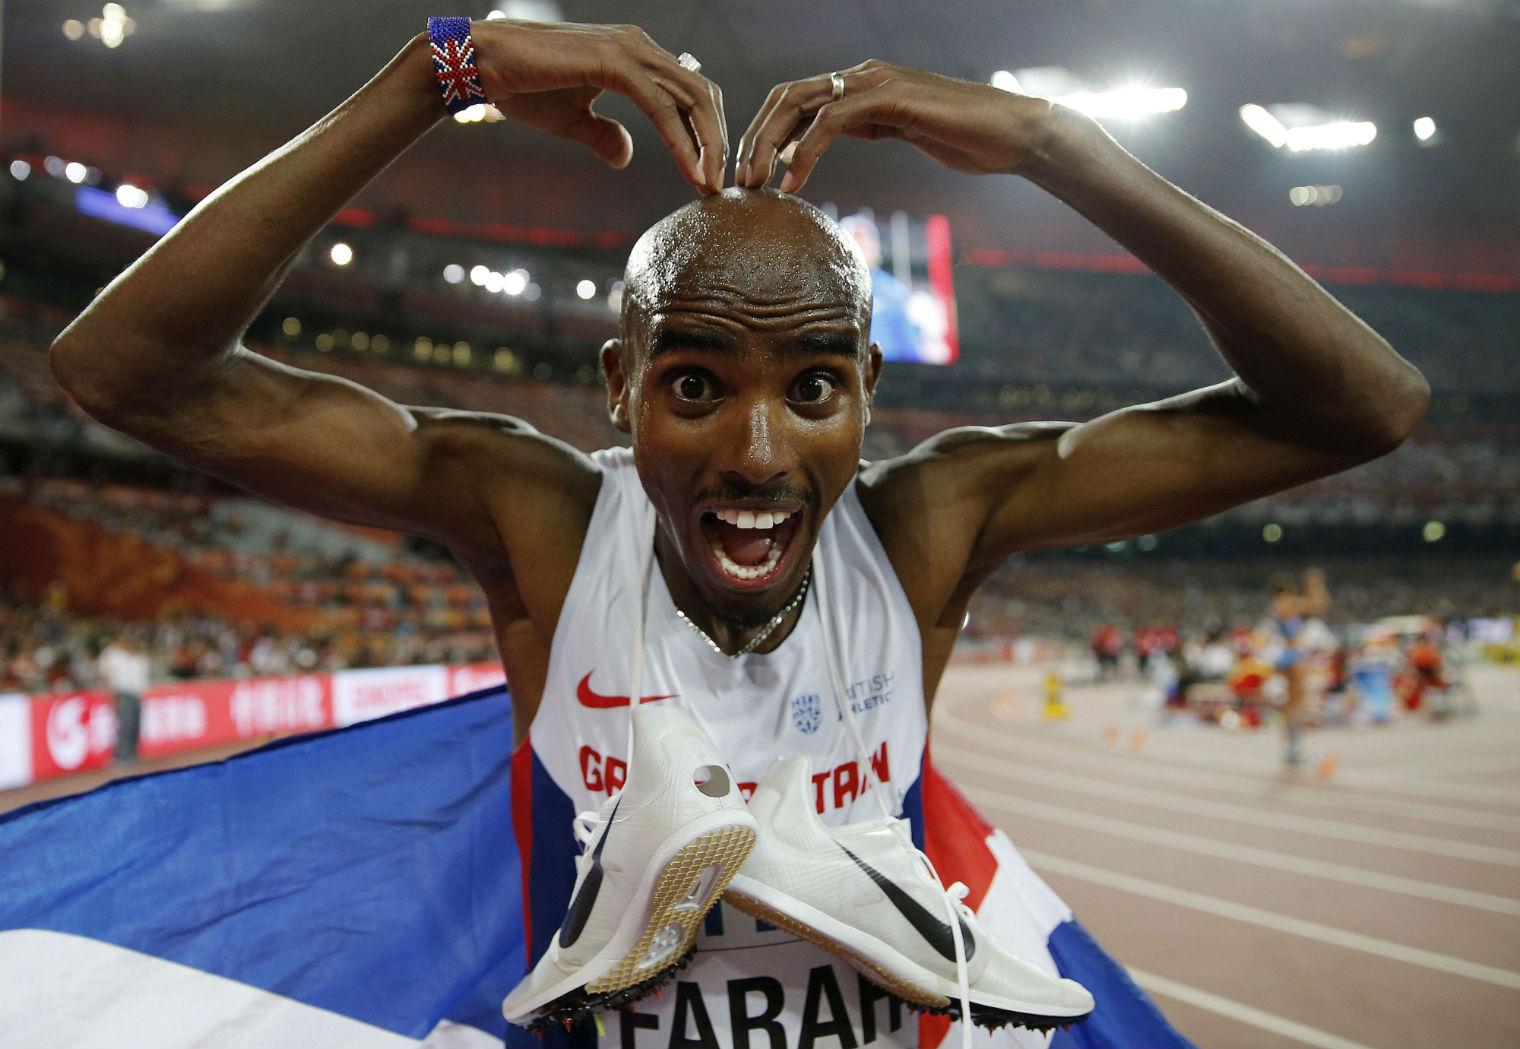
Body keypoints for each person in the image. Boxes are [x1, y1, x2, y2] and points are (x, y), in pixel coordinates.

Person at [50, 18, 1428, 1045]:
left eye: (814, 386)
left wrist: (1057, 146)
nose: (758, 456)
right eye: (696, 384)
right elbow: (123, 370)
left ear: (869, 394)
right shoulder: (541, 519)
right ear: (619, 386)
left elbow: (1364, 406)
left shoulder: (929, 526)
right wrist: (439, 72)